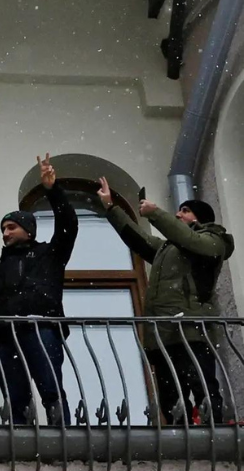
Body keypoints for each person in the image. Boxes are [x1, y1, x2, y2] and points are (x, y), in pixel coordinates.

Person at [98, 180, 235, 424]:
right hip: (163, 332)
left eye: (185, 211)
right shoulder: (167, 249)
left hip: (193, 330)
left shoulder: (215, 240)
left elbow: (192, 241)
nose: (178, 214)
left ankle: (214, 429)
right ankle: (178, 435)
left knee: (201, 383)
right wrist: (111, 208)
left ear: (199, 219)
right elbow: (138, 239)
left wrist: (155, 214)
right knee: (171, 393)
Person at [0, 153, 77, 426]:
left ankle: (65, 438)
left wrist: (52, 189)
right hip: (5, 334)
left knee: (51, 389)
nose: (5, 233)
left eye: (11, 227)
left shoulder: (50, 254)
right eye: (3, 229)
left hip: (41, 327)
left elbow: (68, 225)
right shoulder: (2, 268)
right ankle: (21, 441)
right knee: (15, 396)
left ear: (29, 230)